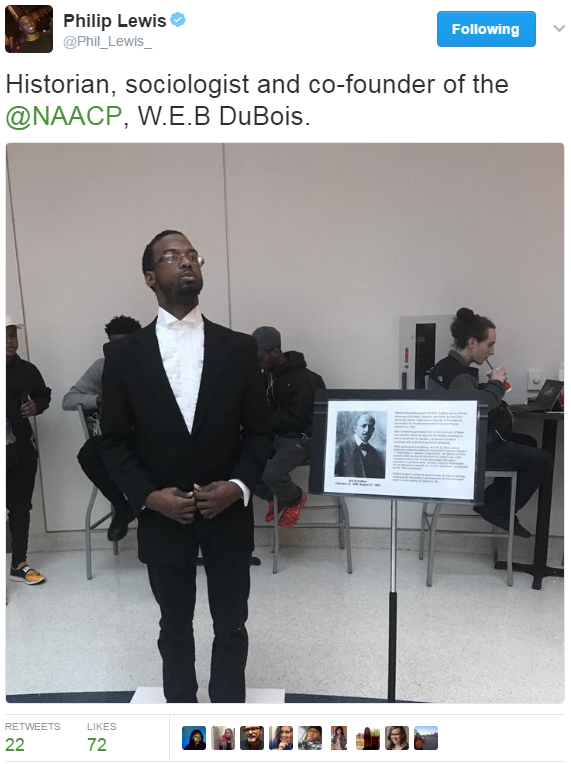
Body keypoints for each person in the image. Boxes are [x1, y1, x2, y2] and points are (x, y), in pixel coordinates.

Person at [100, 230, 272, 703]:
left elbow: (260, 432)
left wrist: (237, 485)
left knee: (232, 622)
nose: (186, 261)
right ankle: (179, 711)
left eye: (192, 254)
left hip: (228, 511)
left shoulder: (238, 348)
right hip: (162, 513)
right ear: (150, 276)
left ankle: (229, 713)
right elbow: (113, 443)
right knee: (173, 623)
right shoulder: (123, 356)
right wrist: (148, 497)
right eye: (172, 256)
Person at [427, 308, 553, 537]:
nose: (492, 351)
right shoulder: (460, 375)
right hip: (465, 452)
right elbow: (480, 408)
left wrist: (485, 387)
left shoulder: (445, 367)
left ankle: (491, 503)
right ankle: (499, 509)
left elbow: (465, 403)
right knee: (543, 459)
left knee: (529, 442)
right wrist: (495, 384)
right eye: (490, 344)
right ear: (472, 342)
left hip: (455, 445)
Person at [62, 315, 142, 541]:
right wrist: (98, 399)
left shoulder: (152, 364)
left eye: (123, 344)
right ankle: (122, 506)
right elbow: (68, 400)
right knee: (88, 454)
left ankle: (153, 514)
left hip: (150, 437)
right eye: (112, 345)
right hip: (117, 436)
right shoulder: (103, 366)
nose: (117, 351)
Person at [252, 326, 317, 527]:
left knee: (271, 473)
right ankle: (274, 497)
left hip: (300, 438)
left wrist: (266, 418)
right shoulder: (266, 376)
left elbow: (299, 419)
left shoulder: (304, 378)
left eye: (260, 357)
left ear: (274, 351)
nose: (257, 362)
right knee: (244, 462)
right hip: (277, 436)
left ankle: (295, 498)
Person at [6, 316, 51, 585]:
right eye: (4, 336)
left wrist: (37, 405)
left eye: (13, 335)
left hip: (21, 449)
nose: (10, 341)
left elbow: (44, 395)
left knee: (20, 507)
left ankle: (19, 564)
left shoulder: (27, 370)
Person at [334, 413, 386, 478]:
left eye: (370, 427)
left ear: (373, 430)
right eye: (364, 426)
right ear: (355, 429)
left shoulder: (376, 453)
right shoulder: (340, 449)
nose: (367, 430)